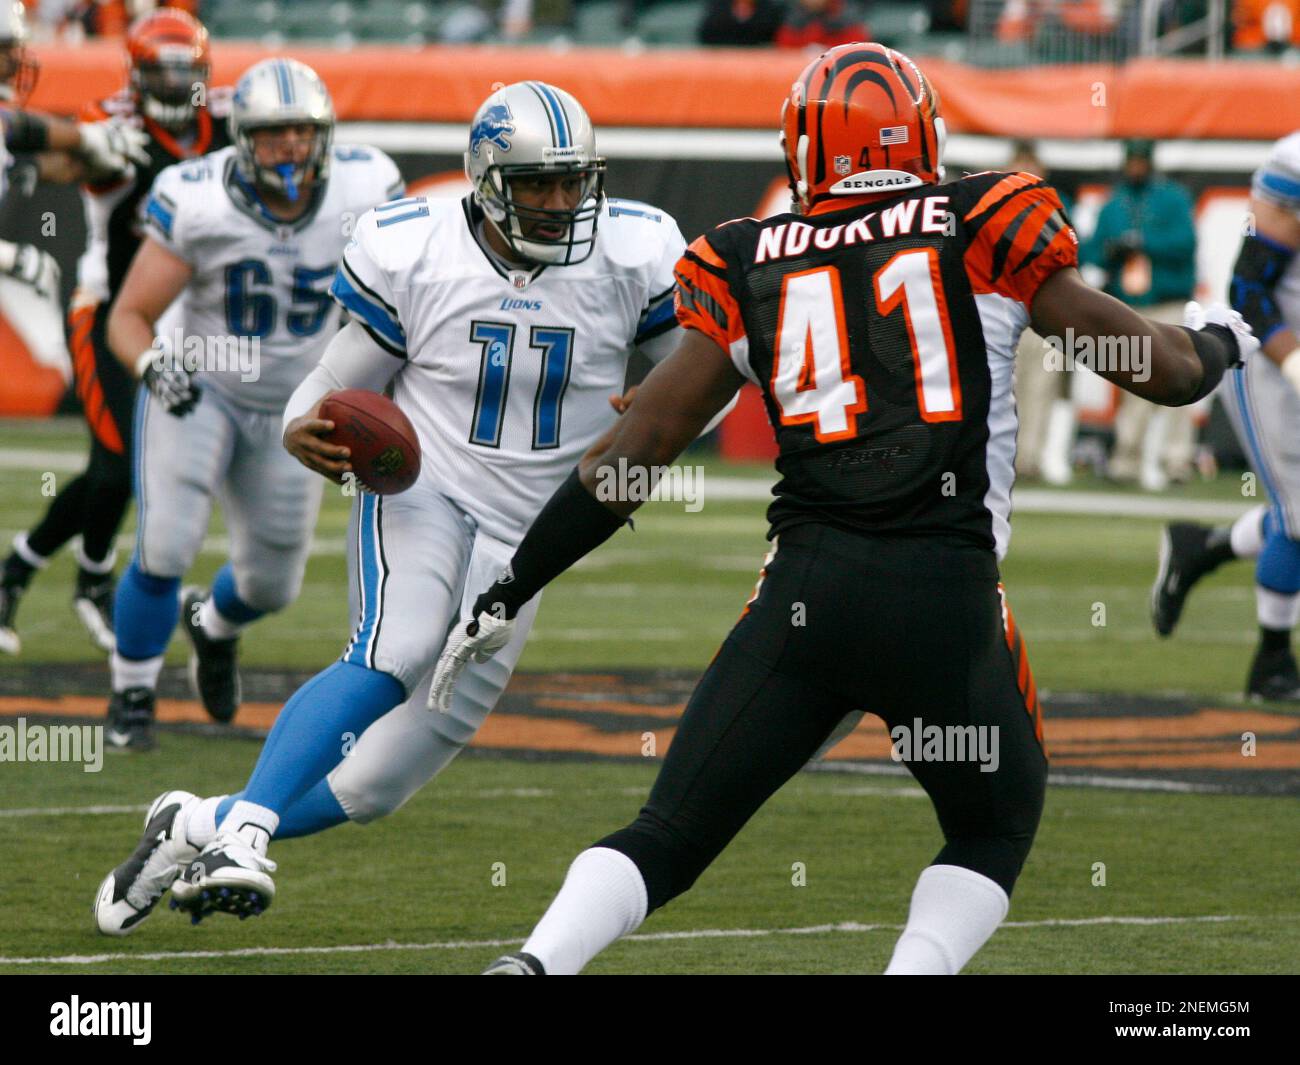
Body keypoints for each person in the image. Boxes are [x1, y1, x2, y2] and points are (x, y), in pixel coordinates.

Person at [429, 44, 1257, 975]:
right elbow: (1166, 371)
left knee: (669, 831)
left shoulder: (746, 258)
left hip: (805, 601)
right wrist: (1219, 339)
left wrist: (513, 583)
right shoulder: (979, 222)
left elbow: (633, 458)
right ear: (922, 132)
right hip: (943, 601)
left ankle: (536, 963)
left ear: (804, 151)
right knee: (993, 823)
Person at [92, 81, 721, 934]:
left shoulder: (635, 251)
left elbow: (702, 381)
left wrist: (663, 410)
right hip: (424, 487)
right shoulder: (418, 248)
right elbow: (328, 383)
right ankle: (243, 835)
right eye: (538, 183)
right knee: (399, 644)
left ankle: (194, 820)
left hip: (533, 539)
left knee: (372, 786)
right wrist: (295, 427)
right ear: (486, 178)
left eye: (574, 181)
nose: (562, 201)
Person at [94, 56, 402, 752]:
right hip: (203, 389)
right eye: (273, 133)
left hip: (300, 405)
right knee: (166, 542)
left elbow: (397, 304)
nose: (291, 146)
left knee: (273, 583)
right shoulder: (197, 198)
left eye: (302, 131)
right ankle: (132, 694)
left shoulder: (366, 186)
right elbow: (129, 316)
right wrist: (152, 362)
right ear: (241, 138)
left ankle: (214, 624)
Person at [1, 8, 230, 658]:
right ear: (137, 72)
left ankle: (18, 569)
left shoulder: (228, 127)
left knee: (125, 465)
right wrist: (83, 148)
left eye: (188, 70)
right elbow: (45, 163)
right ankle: (92, 578)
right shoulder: (112, 128)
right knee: (121, 459)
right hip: (106, 312)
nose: (177, 82)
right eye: (163, 70)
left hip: (184, 319)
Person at [1151, 130, 1300, 701]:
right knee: (1298, 515)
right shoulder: (1291, 165)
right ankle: (1272, 663)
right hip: (1266, 354)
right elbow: (1249, 286)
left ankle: (1200, 549)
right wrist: (1293, 366)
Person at [1084, 138, 1198, 489]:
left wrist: (1143, 242)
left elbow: (1186, 242)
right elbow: (1091, 251)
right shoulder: (1114, 203)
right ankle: (1127, 459)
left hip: (1167, 299)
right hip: (1130, 305)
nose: (1135, 166)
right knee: (1136, 382)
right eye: (1130, 160)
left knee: (1180, 379)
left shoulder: (1172, 197)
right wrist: (1112, 250)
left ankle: (1176, 459)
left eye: (1140, 160)